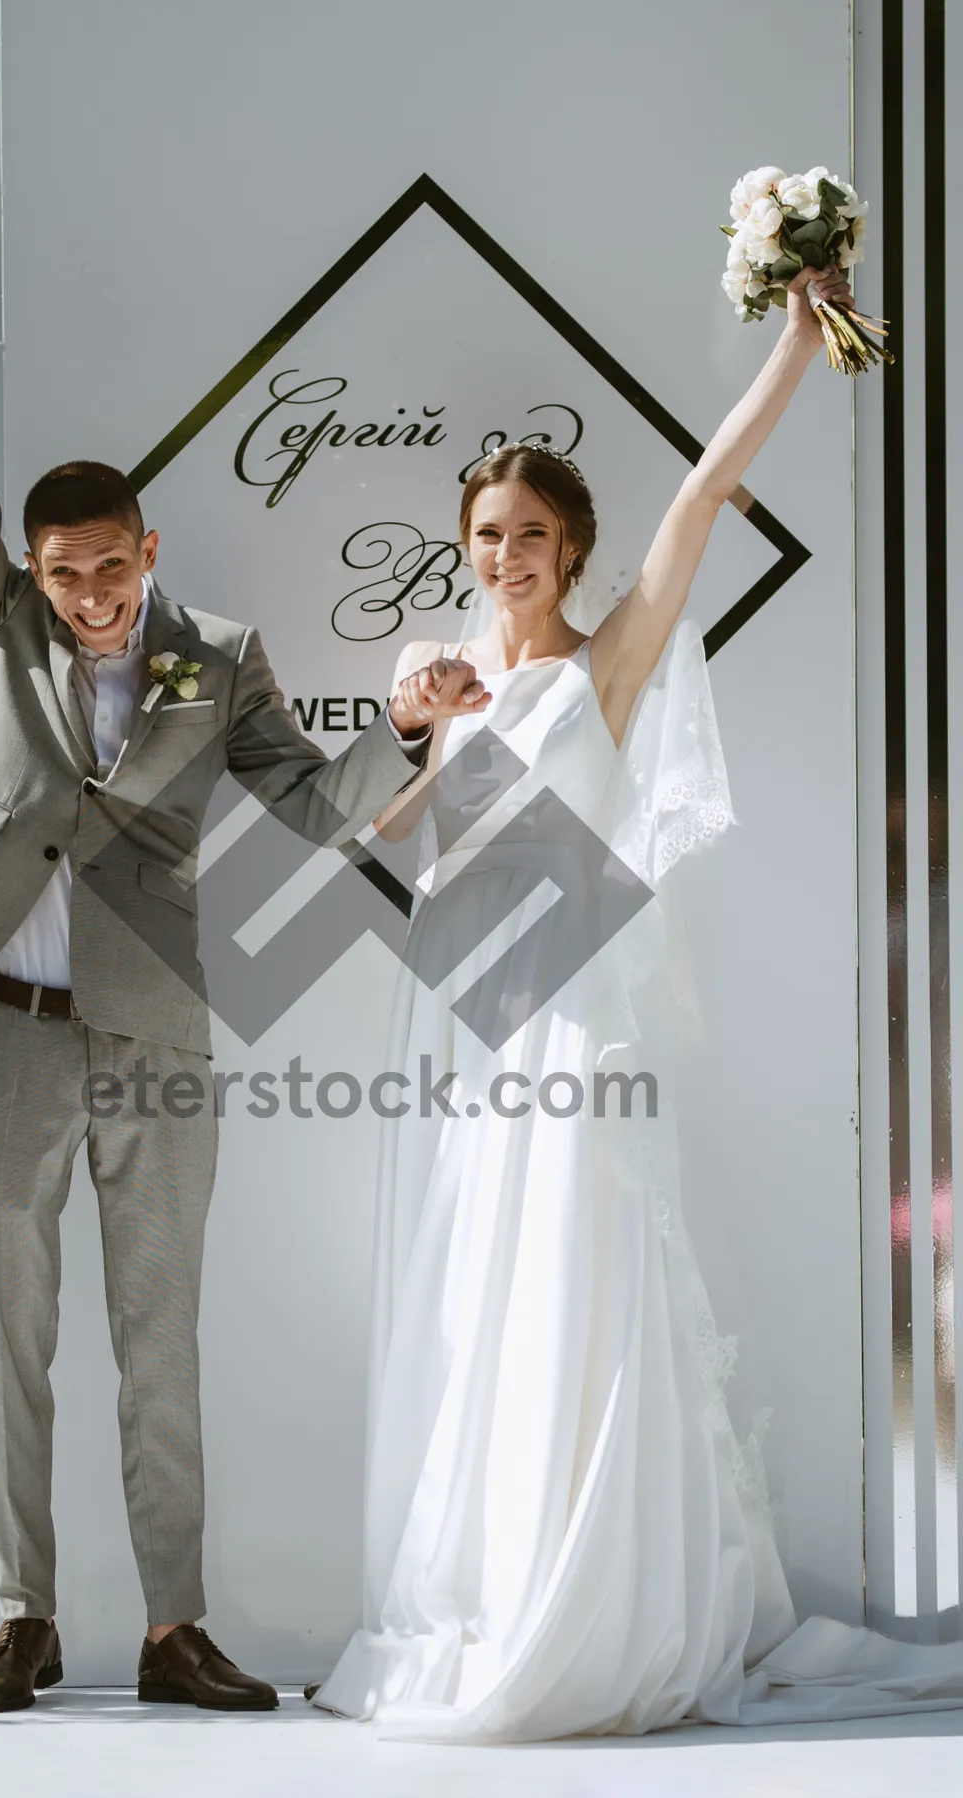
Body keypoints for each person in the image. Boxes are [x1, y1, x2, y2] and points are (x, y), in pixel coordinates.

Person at [0, 191, 488, 1715]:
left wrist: (403, 729)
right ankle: (24, 1616)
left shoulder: (218, 656)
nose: (89, 599)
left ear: (150, 545)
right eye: (63, 575)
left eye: (109, 569)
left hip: (154, 1033)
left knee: (160, 1338)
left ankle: (172, 1627)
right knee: (13, 1333)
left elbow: (313, 801)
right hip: (3, 1019)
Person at [311, 261, 963, 1739]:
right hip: (471, 1025)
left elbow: (702, 490)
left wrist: (798, 340)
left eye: (530, 534)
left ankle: (597, 1592)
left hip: (571, 1014)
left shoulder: (610, 662)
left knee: (575, 1272)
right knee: (481, 1292)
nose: (505, 557)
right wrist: (416, 716)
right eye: (486, 537)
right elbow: (395, 838)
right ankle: (499, 1573)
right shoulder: (460, 668)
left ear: (572, 545)